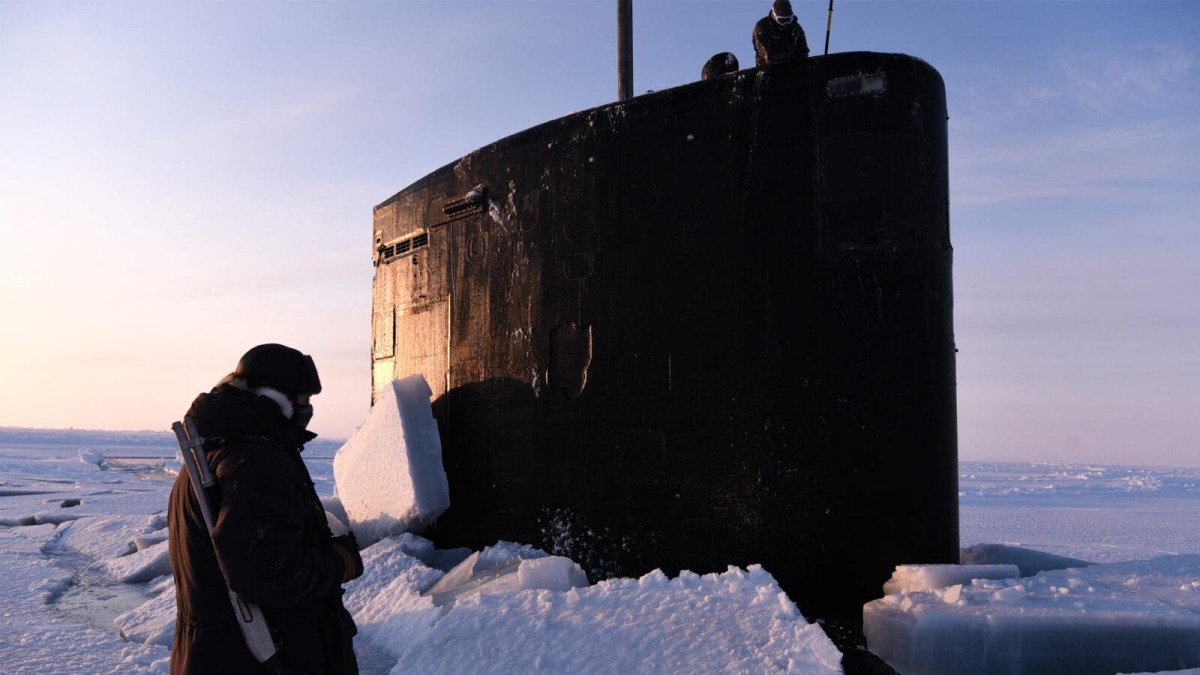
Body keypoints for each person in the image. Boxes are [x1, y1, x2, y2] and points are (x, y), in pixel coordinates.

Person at [168, 344, 363, 674]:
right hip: (261, 661)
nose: (307, 409)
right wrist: (340, 561)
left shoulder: (211, 456)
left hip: (218, 655)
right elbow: (271, 572)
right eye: (302, 400)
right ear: (277, 399)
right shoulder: (256, 464)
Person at [753, 0, 810, 68]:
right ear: (774, 16)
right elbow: (768, 57)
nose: (785, 24)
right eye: (782, 20)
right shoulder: (762, 27)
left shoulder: (796, 27)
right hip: (769, 71)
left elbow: (803, 52)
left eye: (788, 20)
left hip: (794, 71)